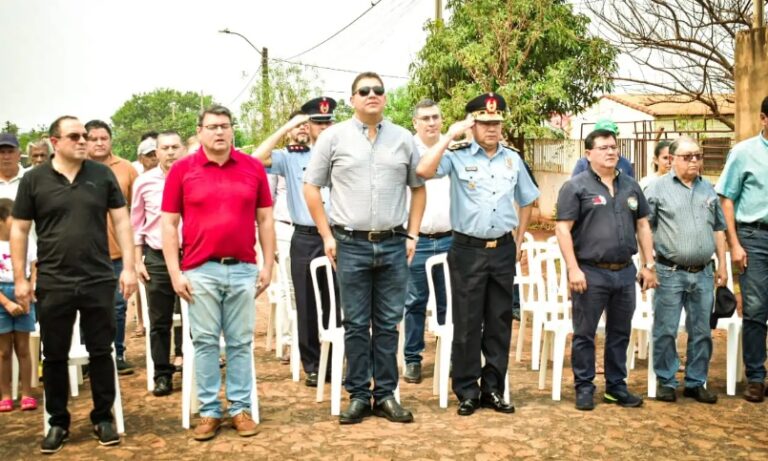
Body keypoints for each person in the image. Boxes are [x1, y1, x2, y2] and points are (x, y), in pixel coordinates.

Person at [304, 72, 425, 424]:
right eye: (364, 91)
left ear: (385, 98)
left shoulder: (403, 139)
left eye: (378, 91)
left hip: (392, 244)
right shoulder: (333, 137)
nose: (372, 95)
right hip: (350, 243)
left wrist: (413, 235)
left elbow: (418, 188)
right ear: (353, 98)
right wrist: (327, 235)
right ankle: (358, 395)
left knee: (388, 324)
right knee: (356, 324)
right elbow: (312, 187)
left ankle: (386, 395)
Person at [11, 115, 137, 453]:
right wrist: (21, 279)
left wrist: (129, 266)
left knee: (101, 350)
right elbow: (19, 229)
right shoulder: (33, 180)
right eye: (75, 136)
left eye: (86, 135)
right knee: (53, 355)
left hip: (98, 277)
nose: (83, 141)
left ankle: (102, 417)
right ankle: (58, 422)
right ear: (55, 142)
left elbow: (122, 221)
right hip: (53, 280)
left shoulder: (102, 175)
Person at [416, 92, 539, 415]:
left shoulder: (512, 158)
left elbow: (527, 199)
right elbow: (424, 171)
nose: (492, 129)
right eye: (484, 123)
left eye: (496, 123)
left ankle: (494, 390)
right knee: (468, 322)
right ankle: (467, 391)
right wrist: (449, 135)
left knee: (499, 321)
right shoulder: (456, 155)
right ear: (472, 125)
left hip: (502, 249)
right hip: (467, 250)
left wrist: (520, 237)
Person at [161, 105, 275, 440]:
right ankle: (210, 411)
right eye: (212, 127)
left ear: (232, 130)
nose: (219, 132)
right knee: (206, 343)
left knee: (240, 342)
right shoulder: (182, 170)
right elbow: (169, 224)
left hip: (242, 269)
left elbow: (265, 219)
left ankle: (240, 409)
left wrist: (267, 264)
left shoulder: (253, 167)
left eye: (225, 126)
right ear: (199, 132)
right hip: (200, 271)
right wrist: (174, 272)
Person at [555, 128, 657, 411]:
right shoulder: (575, 187)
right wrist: (573, 269)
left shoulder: (631, 186)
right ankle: (584, 387)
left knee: (620, 333)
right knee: (585, 333)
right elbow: (563, 230)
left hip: (625, 271)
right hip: (590, 272)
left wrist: (648, 265)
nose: (611, 152)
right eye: (603, 148)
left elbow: (642, 226)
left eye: (614, 147)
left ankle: (616, 386)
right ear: (588, 154)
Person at [255, 100, 336, 387]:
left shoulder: (344, 151)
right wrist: (287, 127)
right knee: (307, 303)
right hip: (305, 236)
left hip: (340, 236)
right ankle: (313, 364)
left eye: (328, 122)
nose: (324, 127)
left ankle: (338, 361)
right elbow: (255, 159)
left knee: (338, 303)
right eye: (318, 122)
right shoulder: (292, 156)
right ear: (308, 126)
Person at [645, 136, 727, 404]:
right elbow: (644, 227)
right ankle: (666, 381)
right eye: (687, 156)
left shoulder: (708, 190)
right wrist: (647, 265)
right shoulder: (657, 189)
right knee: (666, 329)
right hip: (669, 272)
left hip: (703, 272)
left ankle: (695, 381)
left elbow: (718, 228)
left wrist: (722, 265)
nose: (694, 161)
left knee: (702, 330)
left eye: (698, 156)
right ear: (672, 159)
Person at [715, 95, 768, 403]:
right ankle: (756, 378)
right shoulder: (743, 153)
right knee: (757, 308)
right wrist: (735, 244)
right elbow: (727, 199)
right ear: (763, 119)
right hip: (755, 237)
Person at [131, 131, 186, 396]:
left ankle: (192, 363)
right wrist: (137, 259)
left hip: (193, 253)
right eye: (165, 148)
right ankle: (162, 373)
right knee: (160, 319)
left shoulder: (194, 176)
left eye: (175, 147)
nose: (170, 152)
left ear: (183, 149)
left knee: (196, 316)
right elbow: (136, 223)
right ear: (157, 152)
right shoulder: (144, 183)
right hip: (157, 256)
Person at [402, 99, 451, 385]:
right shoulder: (406, 151)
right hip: (416, 240)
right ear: (415, 123)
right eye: (425, 118)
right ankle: (413, 359)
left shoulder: (453, 149)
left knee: (449, 302)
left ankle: (450, 355)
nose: (431, 123)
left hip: (450, 238)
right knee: (415, 302)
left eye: (435, 117)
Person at [85, 120, 139, 375]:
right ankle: (89, 357)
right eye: (93, 138)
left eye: (103, 138)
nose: (98, 143)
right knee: (87, 307)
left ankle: (117, 353)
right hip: (85, 255)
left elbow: (138, 210)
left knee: (118, 305)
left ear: (110, 140)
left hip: (117, 252)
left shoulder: (126, 169)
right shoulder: (76, 168)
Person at [0, 198, 37, 412]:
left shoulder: (27, 240)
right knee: (3, 351)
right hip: (2, 295)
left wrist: (31, 288)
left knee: (23, 349)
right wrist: (5, 302)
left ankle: (27, 394)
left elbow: (34, 267)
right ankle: (5, 394)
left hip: (22, 292)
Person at [0, 133, 25, 200]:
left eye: (10, 152)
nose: (6, 157)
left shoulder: (30, 179)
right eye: (2, 152)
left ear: (19, 155)